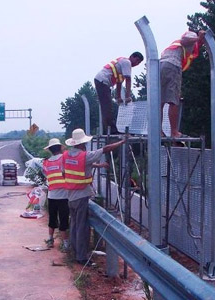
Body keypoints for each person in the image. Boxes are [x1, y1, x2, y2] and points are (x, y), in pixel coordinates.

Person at [63, 128, 126, 265]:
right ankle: (81, 257)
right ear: (81, 144)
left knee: (74, 225)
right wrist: (122, 142)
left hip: (70, 196)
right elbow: (106, 149)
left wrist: (99, 165)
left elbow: (76, 168)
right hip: (81, 197)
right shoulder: (85, 155)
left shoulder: (66, 156)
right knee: (82, 228)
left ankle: (74, 252)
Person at [160, 30, 206, 138]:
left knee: (160, 101)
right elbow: (184, 40)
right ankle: (174, 132)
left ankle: (158, 131)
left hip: (161, 65)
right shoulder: (192, 36)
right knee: (174, 100)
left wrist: (200, 41)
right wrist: (198, 38)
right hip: (173, 65)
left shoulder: (190, 46)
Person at [94, 52, 144, 134]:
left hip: (102, 81)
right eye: (137, 60)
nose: (136, 63)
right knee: (107, 107)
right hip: (102, 81)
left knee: (107, 107)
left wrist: (118, 97)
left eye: (139, 63)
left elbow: (119, 82)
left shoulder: (122, 64)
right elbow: (128, 80)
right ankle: (112, 131)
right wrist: (128, 96)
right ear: (131, 57)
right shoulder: (127, 62)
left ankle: (108, 130)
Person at [42, 138, 70, 252]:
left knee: (52, 219)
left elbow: (46, 175)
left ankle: (50, 239)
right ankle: (65, 244)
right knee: (63, 220)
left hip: (52, 195)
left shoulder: (46, 162)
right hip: (64, 195)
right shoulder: (64, 159)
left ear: (50, 150)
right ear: (60, 148)